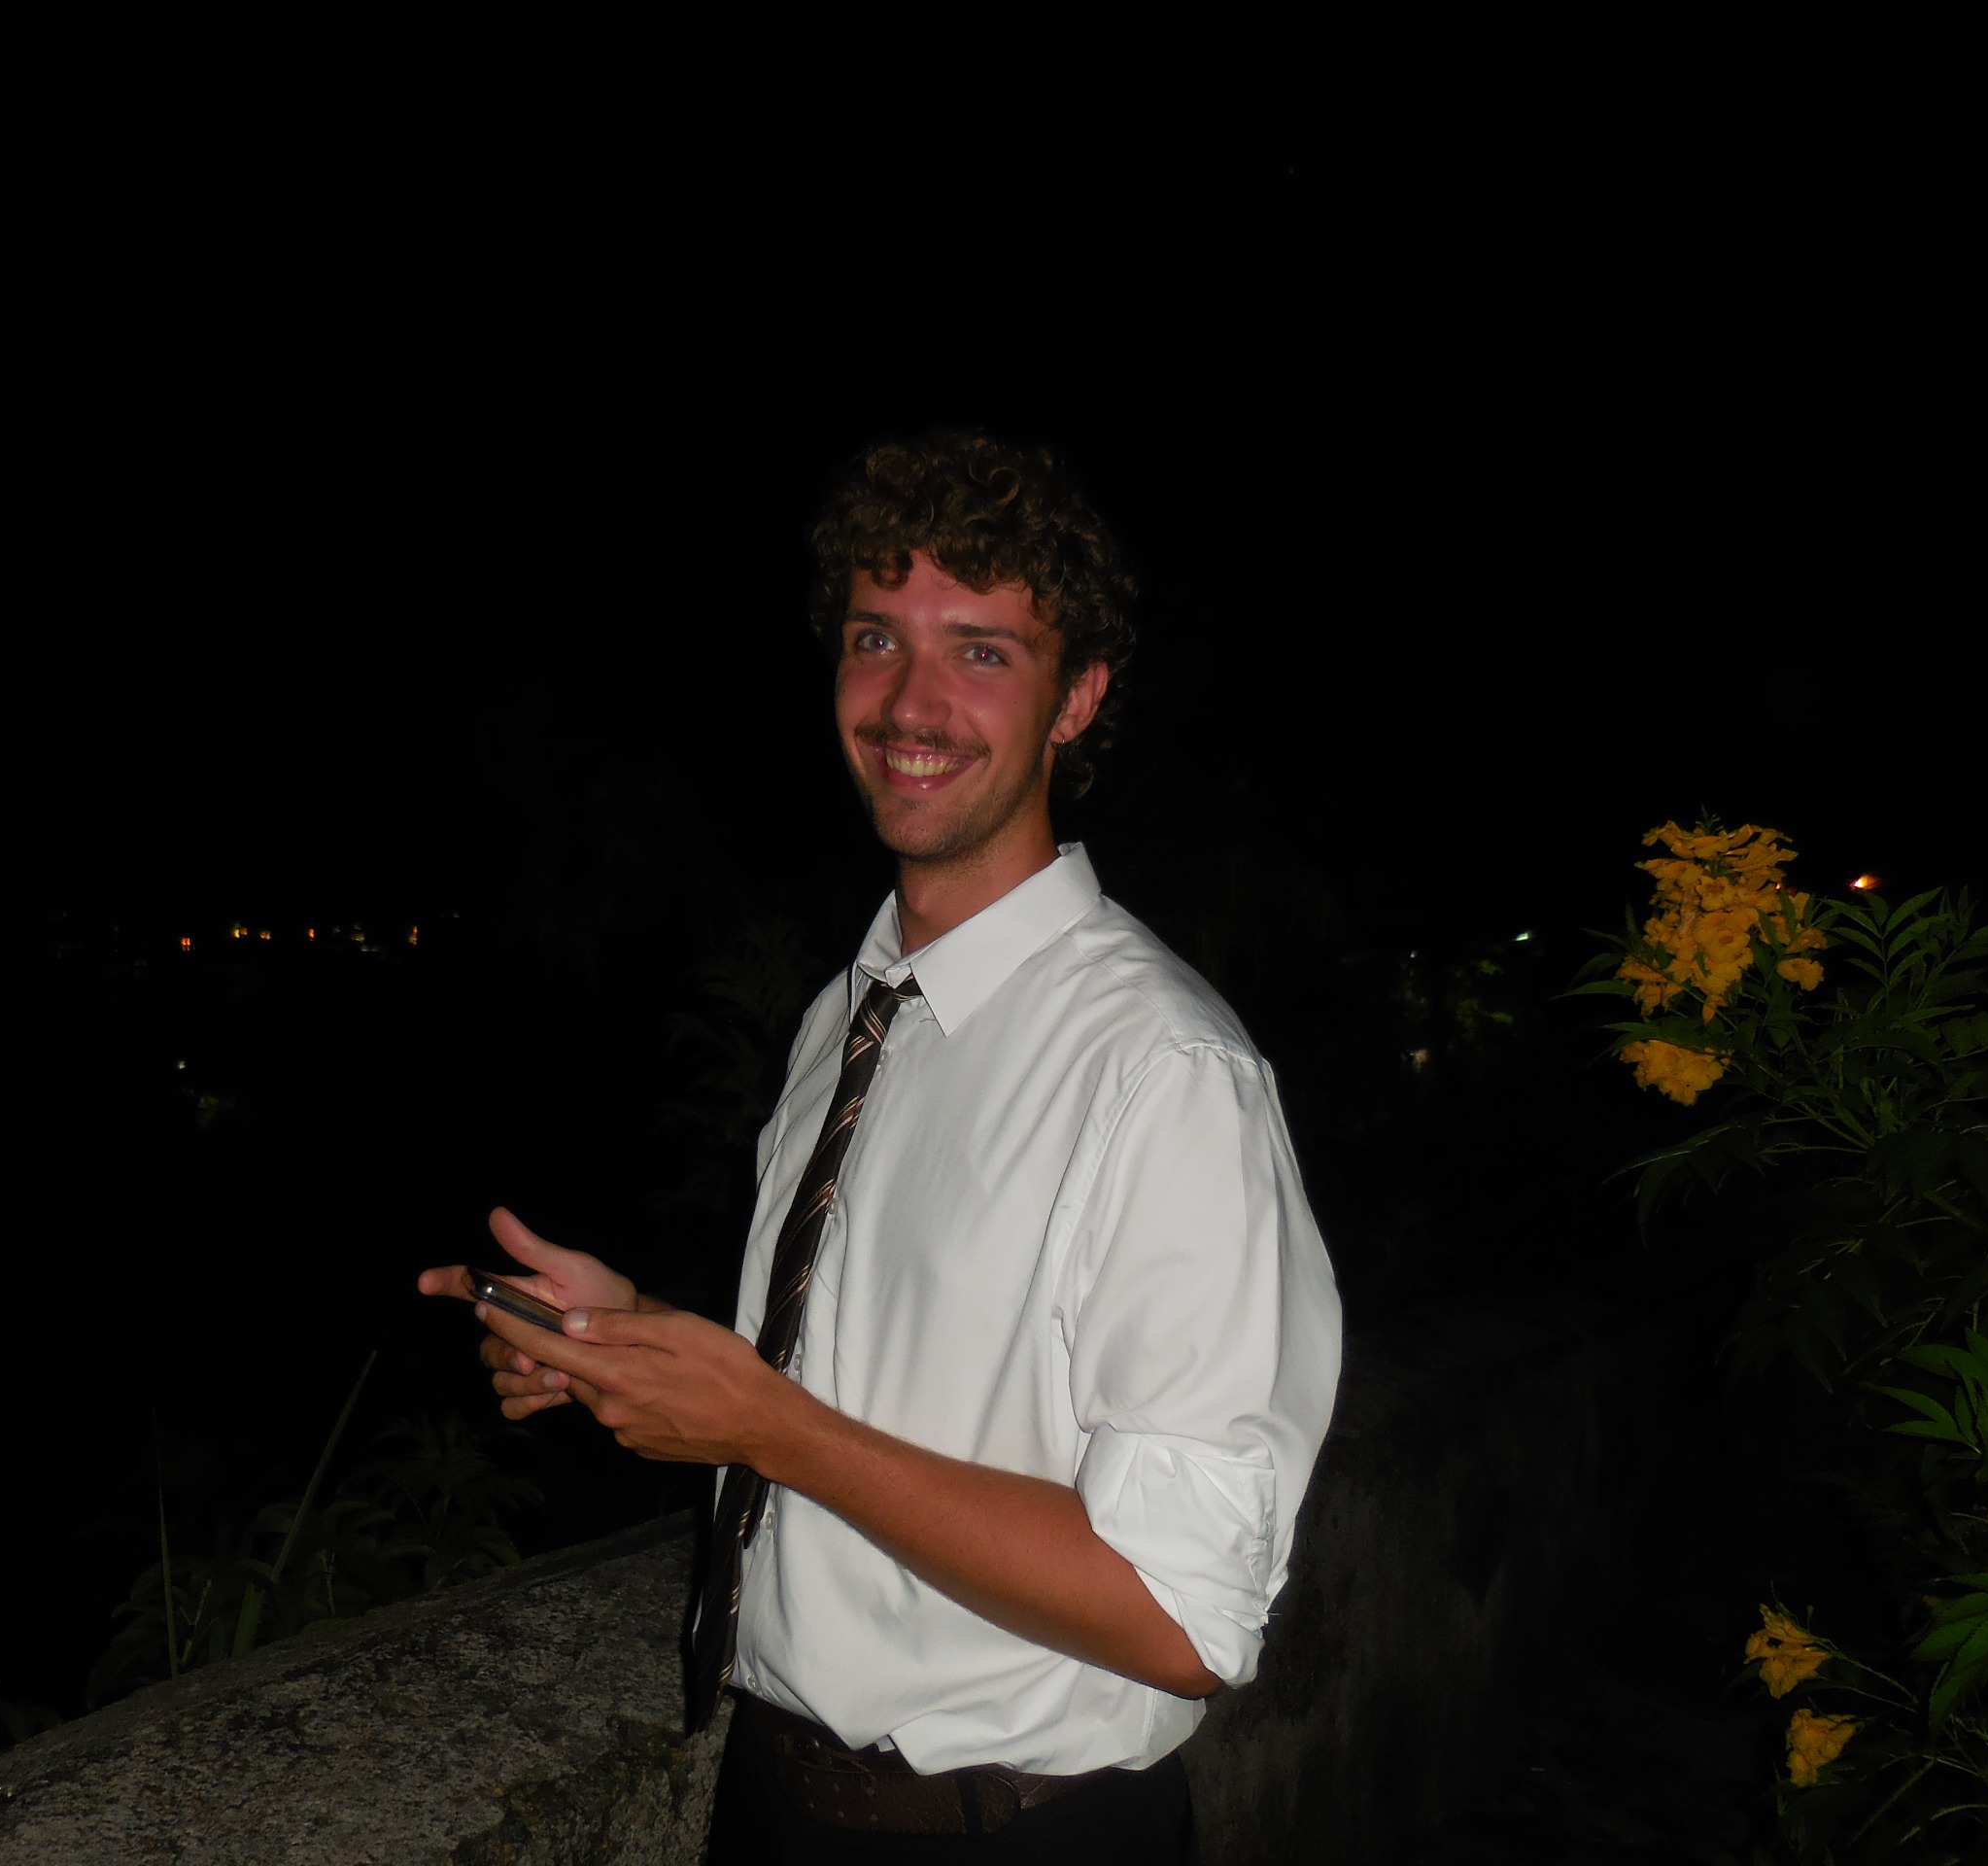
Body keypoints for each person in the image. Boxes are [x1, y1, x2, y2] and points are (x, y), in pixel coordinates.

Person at [420, 432, 1343, 1862]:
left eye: (981, 651)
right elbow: (881, 1383)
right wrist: (641, 1341)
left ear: (1077, 698)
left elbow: (1181, 1617)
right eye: (874, 639)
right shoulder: (851, 1016)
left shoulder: (1163, 1074)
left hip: (1021, 1833)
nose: (910, 702)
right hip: (770, 1803)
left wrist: (768, 1429)